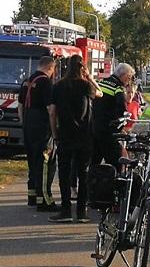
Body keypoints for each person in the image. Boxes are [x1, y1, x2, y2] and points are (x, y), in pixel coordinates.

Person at [48, 55, 102, 223]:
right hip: (85, 135)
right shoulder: (86, 86)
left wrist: (54, 133)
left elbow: (52, 111)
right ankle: (82, 211)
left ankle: (65, 210)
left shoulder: (58, 87)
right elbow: (100, 93)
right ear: (82, 68)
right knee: (83, 172)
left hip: (65, 134)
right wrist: (90, 78)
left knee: (64, 173)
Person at [18, 56, 59, 211]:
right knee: (45, 163)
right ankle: (45, 201)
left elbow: (20, 107)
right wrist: (54, 131)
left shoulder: (27, 81)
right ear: (50, 67)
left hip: (28, 126)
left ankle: (32, 196)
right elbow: (50, 109)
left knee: (32, 162)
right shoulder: (46, 82)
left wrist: (24, 125)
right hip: (42, 127)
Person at [92, 63, 135, 167]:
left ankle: (90, 182)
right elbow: (122, 111)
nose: (128, 81)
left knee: (94, 162)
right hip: (109, 131)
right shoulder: (118, 89)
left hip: (94, 128)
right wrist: (121, 127)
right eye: (129, 78)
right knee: (116, 163)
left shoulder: (101, 83)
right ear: (124, 75)